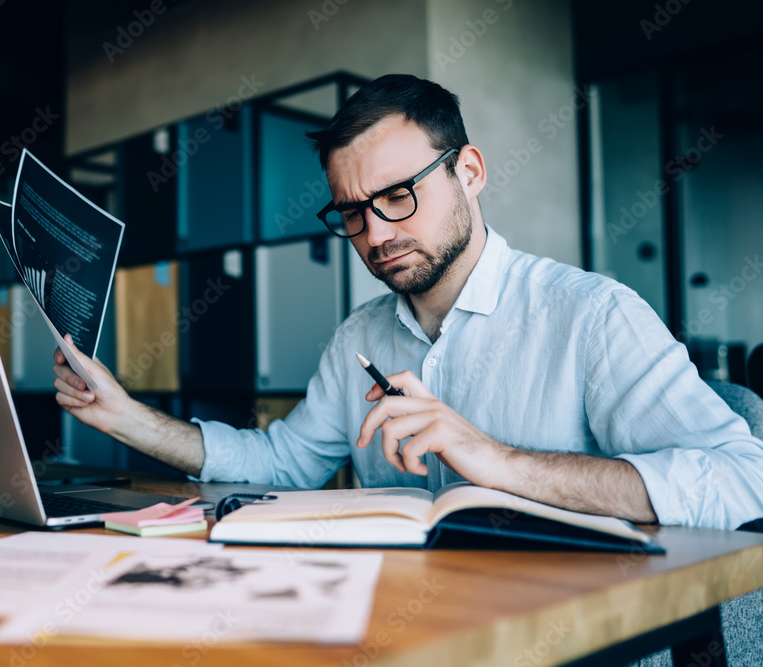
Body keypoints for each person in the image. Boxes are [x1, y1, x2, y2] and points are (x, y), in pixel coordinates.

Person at [52, 74, 763, 531]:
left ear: (470, 172)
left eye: (399, 195)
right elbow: (281, 463)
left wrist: (494, 459)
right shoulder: (360, 336)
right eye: (352, 212)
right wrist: (126, 418)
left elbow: (743, 479)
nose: (377, 233)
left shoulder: (592, 315)